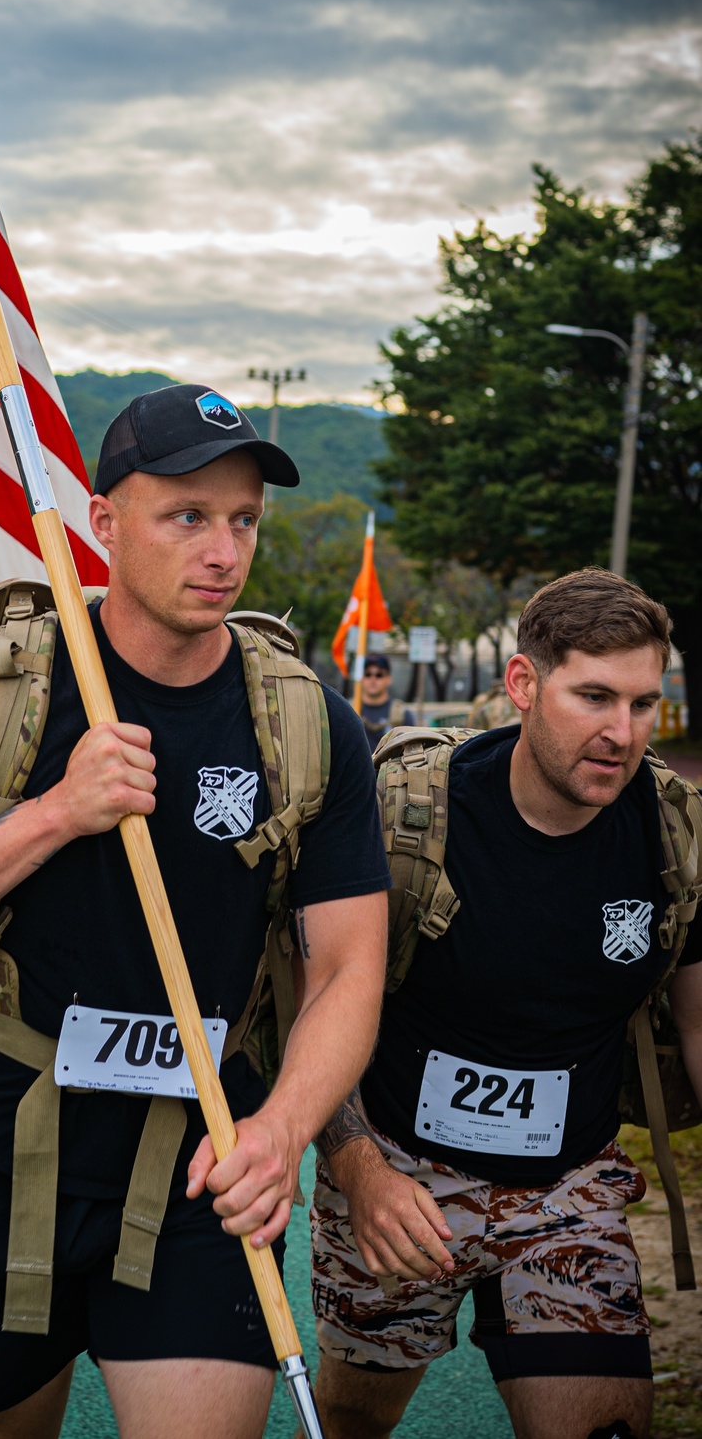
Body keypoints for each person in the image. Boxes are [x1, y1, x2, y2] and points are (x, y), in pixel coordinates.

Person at [0, 383, 390, 1439]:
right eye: (186, 516)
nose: (222, 550)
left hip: (202, 1160)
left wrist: (283, 1130)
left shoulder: (306, 720)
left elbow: (349, 965)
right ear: (102, 523)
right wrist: (53, 814)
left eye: (241, 521)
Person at [310, 569, 702, 1439]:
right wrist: (357, 1169)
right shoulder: (405, 814)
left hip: (569, 1187)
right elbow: (312, 1002)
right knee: (351, 1419)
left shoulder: (676, 835)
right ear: (524, 685)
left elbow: (699, 1027)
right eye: (593, 696)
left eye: (643, 704)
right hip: (395, 1174)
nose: (621, 732)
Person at [358, 652, 414, 754]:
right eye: (367, 674)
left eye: (379, 675)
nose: (373, 679)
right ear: (361, 678)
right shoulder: (350, 710)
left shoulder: (402, 714)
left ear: (389, 679)